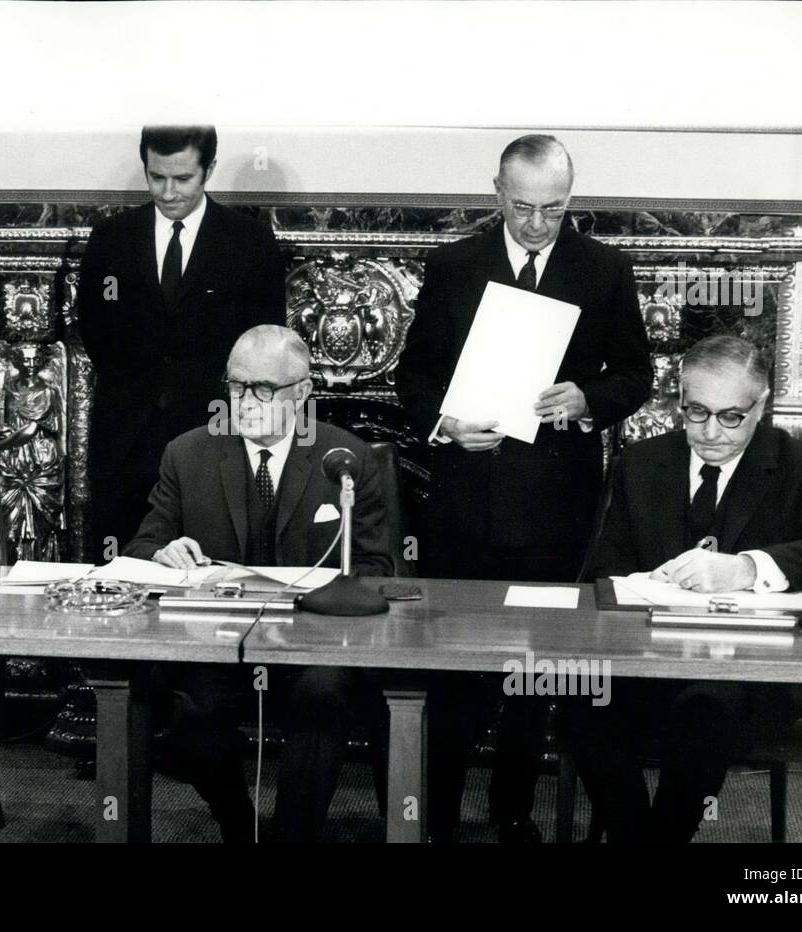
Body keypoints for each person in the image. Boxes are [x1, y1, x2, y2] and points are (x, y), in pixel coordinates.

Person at [394, 134, 653, 842]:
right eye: (524, 207)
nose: (539, 223)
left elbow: (636, 375)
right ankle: (438, 817)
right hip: (463, 498)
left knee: (535, 670)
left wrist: (587, 398)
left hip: (556, 505)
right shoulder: (453, 265)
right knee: (451, 670)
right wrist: (443, 423)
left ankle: (512, 810)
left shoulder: (604, 269)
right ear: (496, 193)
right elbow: (412, 377)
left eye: (555, 208)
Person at [562, 334, 802, 842]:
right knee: (580, 691)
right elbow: (603, 566)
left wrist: (745, 568)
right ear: (679, 403)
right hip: (644, 660)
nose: (710, 431)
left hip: (749, 673)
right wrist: (647, 581)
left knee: (706, 708)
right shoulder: (642, 462)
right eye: (696, 412)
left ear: (761, 406)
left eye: (730, 416)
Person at [125, 325, 395, 842]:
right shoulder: (188, 454)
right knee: (191, 710)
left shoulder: (345, 460)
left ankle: (294, 835)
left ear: (302, 392)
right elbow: (140, 550)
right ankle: (236, 822)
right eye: (235, 386)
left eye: (262, 389)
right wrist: (164, 554)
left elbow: (377, 569)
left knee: (325, 692)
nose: (244, 402)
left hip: (312, 643)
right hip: (217, 644)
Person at [78, 126, 287, 560]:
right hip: (125, 439)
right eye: (156, 178)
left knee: (210, 567)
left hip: (214, 434)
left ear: (208, 169)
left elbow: (263, 340)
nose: (168, 192)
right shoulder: (111, 239)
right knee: (125, 567)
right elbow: (95, 331)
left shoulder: (249, 241)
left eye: (183, 179)